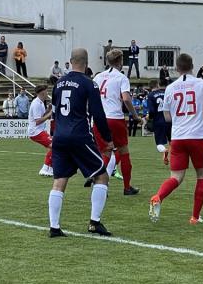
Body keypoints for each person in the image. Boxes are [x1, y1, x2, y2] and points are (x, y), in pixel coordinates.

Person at [150, 53, 203, 225]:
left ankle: (158, 197)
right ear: (193, 66)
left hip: (178, 137)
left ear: (176, 68)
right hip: (197, 137)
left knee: (176, 177)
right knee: (202, 176)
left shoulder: (170, 88)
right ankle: (195, 216)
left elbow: (166, 117)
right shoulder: (202, 84)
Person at [47, 48, 114, 237]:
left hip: (60, 136)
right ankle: (94, 223)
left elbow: (54, 113)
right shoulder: (89, 83)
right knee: (102, 176)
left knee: (59, 181)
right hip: (79, 135)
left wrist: (54, 135)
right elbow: (98, 114)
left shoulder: (58, 83)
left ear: (70, 61)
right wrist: (108, 139)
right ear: (86, 62)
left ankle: (54, 227)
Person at [93, 49, 143, 196]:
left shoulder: (98, 77)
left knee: (105, 153)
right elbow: (126, 99)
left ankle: (99, 186)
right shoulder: (121, 77)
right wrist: (135, 116)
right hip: (115, 118)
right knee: (123, 152)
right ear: (120, 61)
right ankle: (127, 187)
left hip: (100, 119)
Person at [28, 84, 55, 176]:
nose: (47, 93)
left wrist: (48, 110)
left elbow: (42, 116)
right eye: (46, 91)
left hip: (38, 130)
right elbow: (38, 121)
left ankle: (49, 169)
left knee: (53, 147)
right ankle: (45, 168)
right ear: (42, 93)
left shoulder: (40, 102)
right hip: (36, 131)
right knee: (55, 146)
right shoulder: (36, 104)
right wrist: (50, 113)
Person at [145, 81, 170, 165]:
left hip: (158, 121)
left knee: (159, 143)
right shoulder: (165, 93)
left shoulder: (151, 95)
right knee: (172, 141)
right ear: (158, 85)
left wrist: (149, 117)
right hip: (169, 120)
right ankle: (172, 157)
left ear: (150, 87)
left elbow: (151, 111)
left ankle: (164, 150)